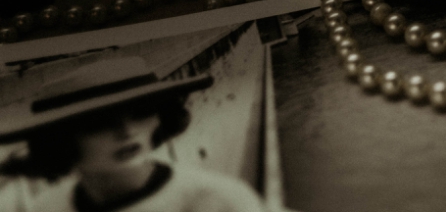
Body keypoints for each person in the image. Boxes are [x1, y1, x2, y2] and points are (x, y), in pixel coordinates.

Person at [0, 57, 265, 212]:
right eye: (99, 123)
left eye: (141, 113)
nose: (127, 132)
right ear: (59, 140)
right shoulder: (47, 208)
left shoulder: (217, 200)